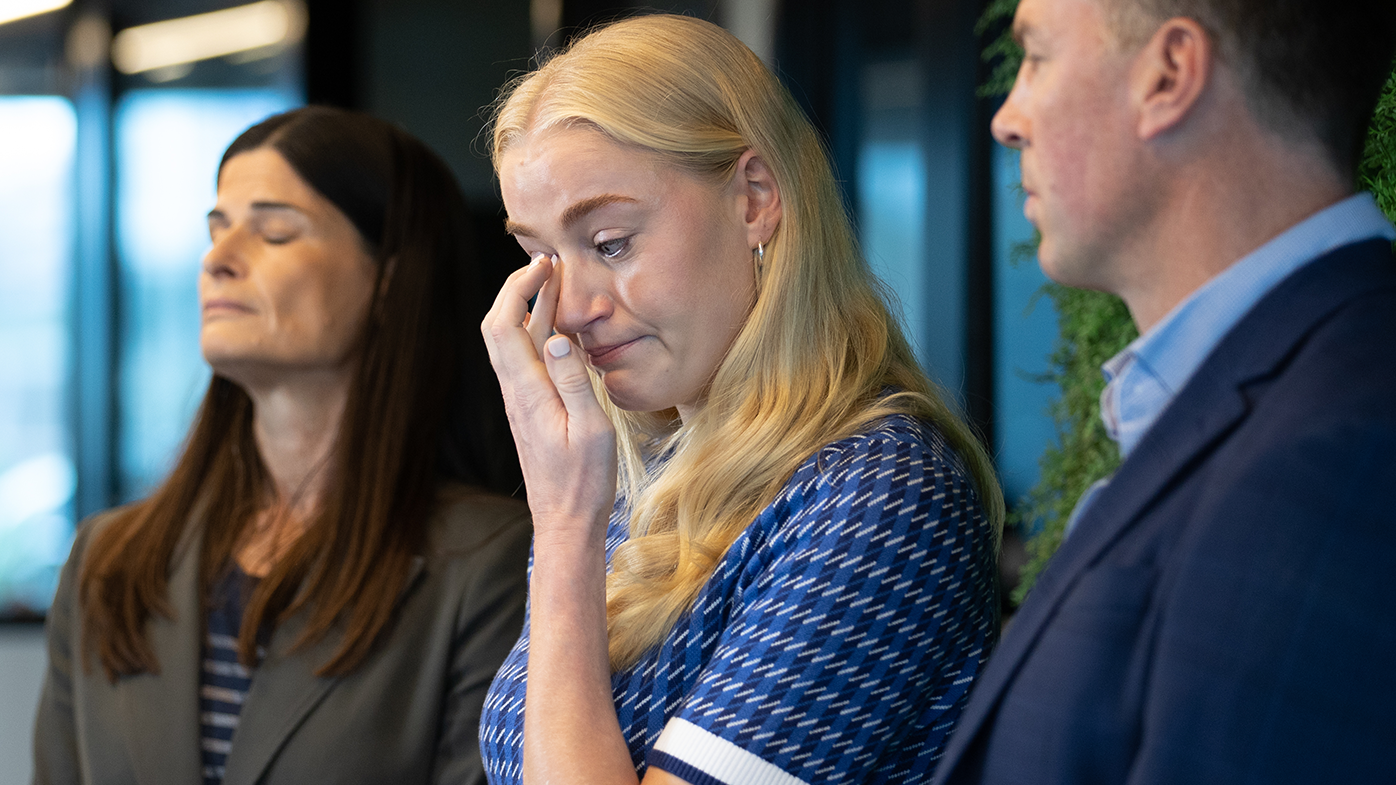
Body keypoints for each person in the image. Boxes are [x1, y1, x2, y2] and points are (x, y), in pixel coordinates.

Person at [476, 13, 1003, 785]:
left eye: (612, 242)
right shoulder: (635, 483)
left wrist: (561, 532)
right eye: (542, 257)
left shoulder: (877, 497)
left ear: (755, 198)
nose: (573, 304)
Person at [933, 0, 1396, 783]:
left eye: (1037, 57)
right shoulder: (1273, 397)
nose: (1006, 119)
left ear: (1169, 74)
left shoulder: (1342, 459)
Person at [32, 106, 531, 785]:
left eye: (272, 231)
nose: (219, 260)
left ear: (388, 277)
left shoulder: (491, 560)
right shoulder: (107, 561)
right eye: (217, 229)